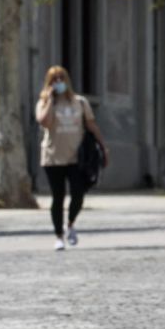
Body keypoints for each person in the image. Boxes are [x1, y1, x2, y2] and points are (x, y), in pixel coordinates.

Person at [35, 65, 108, 250]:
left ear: (67, 81)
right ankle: (58, 236)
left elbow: (91, 126)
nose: (58, 83)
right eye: (54, 80)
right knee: (57, 197)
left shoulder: (80, 102)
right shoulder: (43, 102)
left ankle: (71, 223)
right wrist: (51, 99)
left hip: (77, 158)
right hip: (52, 157)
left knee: (78, 194)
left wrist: (103, 147)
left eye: (61, 79)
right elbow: (44, 121)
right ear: (48, 83)